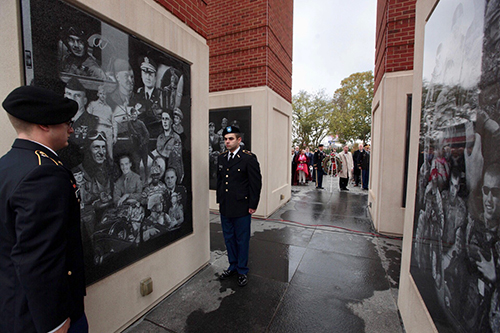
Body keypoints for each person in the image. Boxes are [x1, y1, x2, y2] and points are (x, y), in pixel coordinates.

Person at [0, 86, 87, 332]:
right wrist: (55, 321)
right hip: (42, 318)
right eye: (66, 122)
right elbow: (39, 257)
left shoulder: (8, 165)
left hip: (15, 307)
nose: (71, 129)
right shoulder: (44, 173)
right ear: (45, 125)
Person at [217, 126, 262, 287]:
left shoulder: (248, 158)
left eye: (230, 139)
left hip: (242, 206)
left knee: (241, 239)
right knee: (228, 238)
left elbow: (255, 183)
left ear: (239, 140)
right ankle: (232, 265)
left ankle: (242, 270)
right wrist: (220, 200)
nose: (227, 142)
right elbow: (221, 181)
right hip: (226, 206)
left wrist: (253, 204)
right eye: (225, 139)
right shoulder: (222, 157)